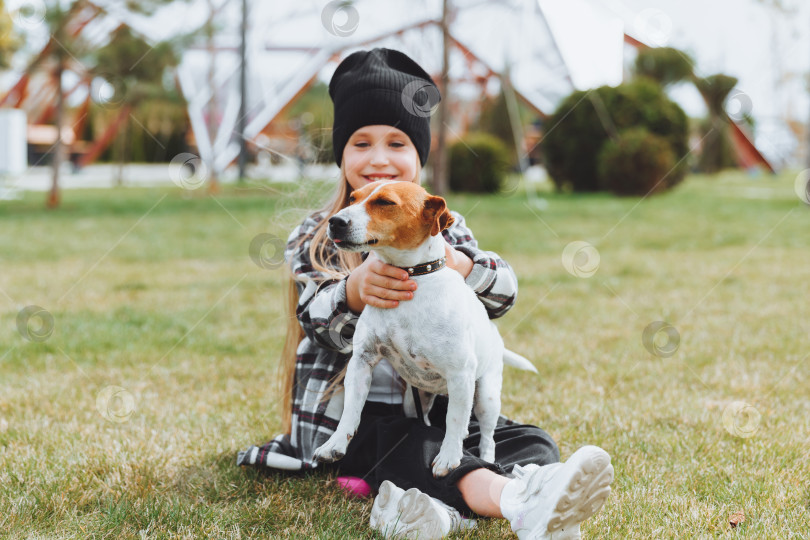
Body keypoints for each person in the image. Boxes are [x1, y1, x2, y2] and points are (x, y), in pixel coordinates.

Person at [238, 48, 614, 539]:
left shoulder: (443, 234)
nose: (378, 159)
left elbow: (501, 296)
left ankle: (443, 512)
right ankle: (519, 502)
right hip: (354, 423)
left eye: (397, 143)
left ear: (419, 156)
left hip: (437, 408)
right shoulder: (319, 233)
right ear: (341, 154)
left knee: (528, 439)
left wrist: (458, 265)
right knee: (410, 446)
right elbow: (313, 319)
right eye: (360, 142)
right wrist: (352, 291)